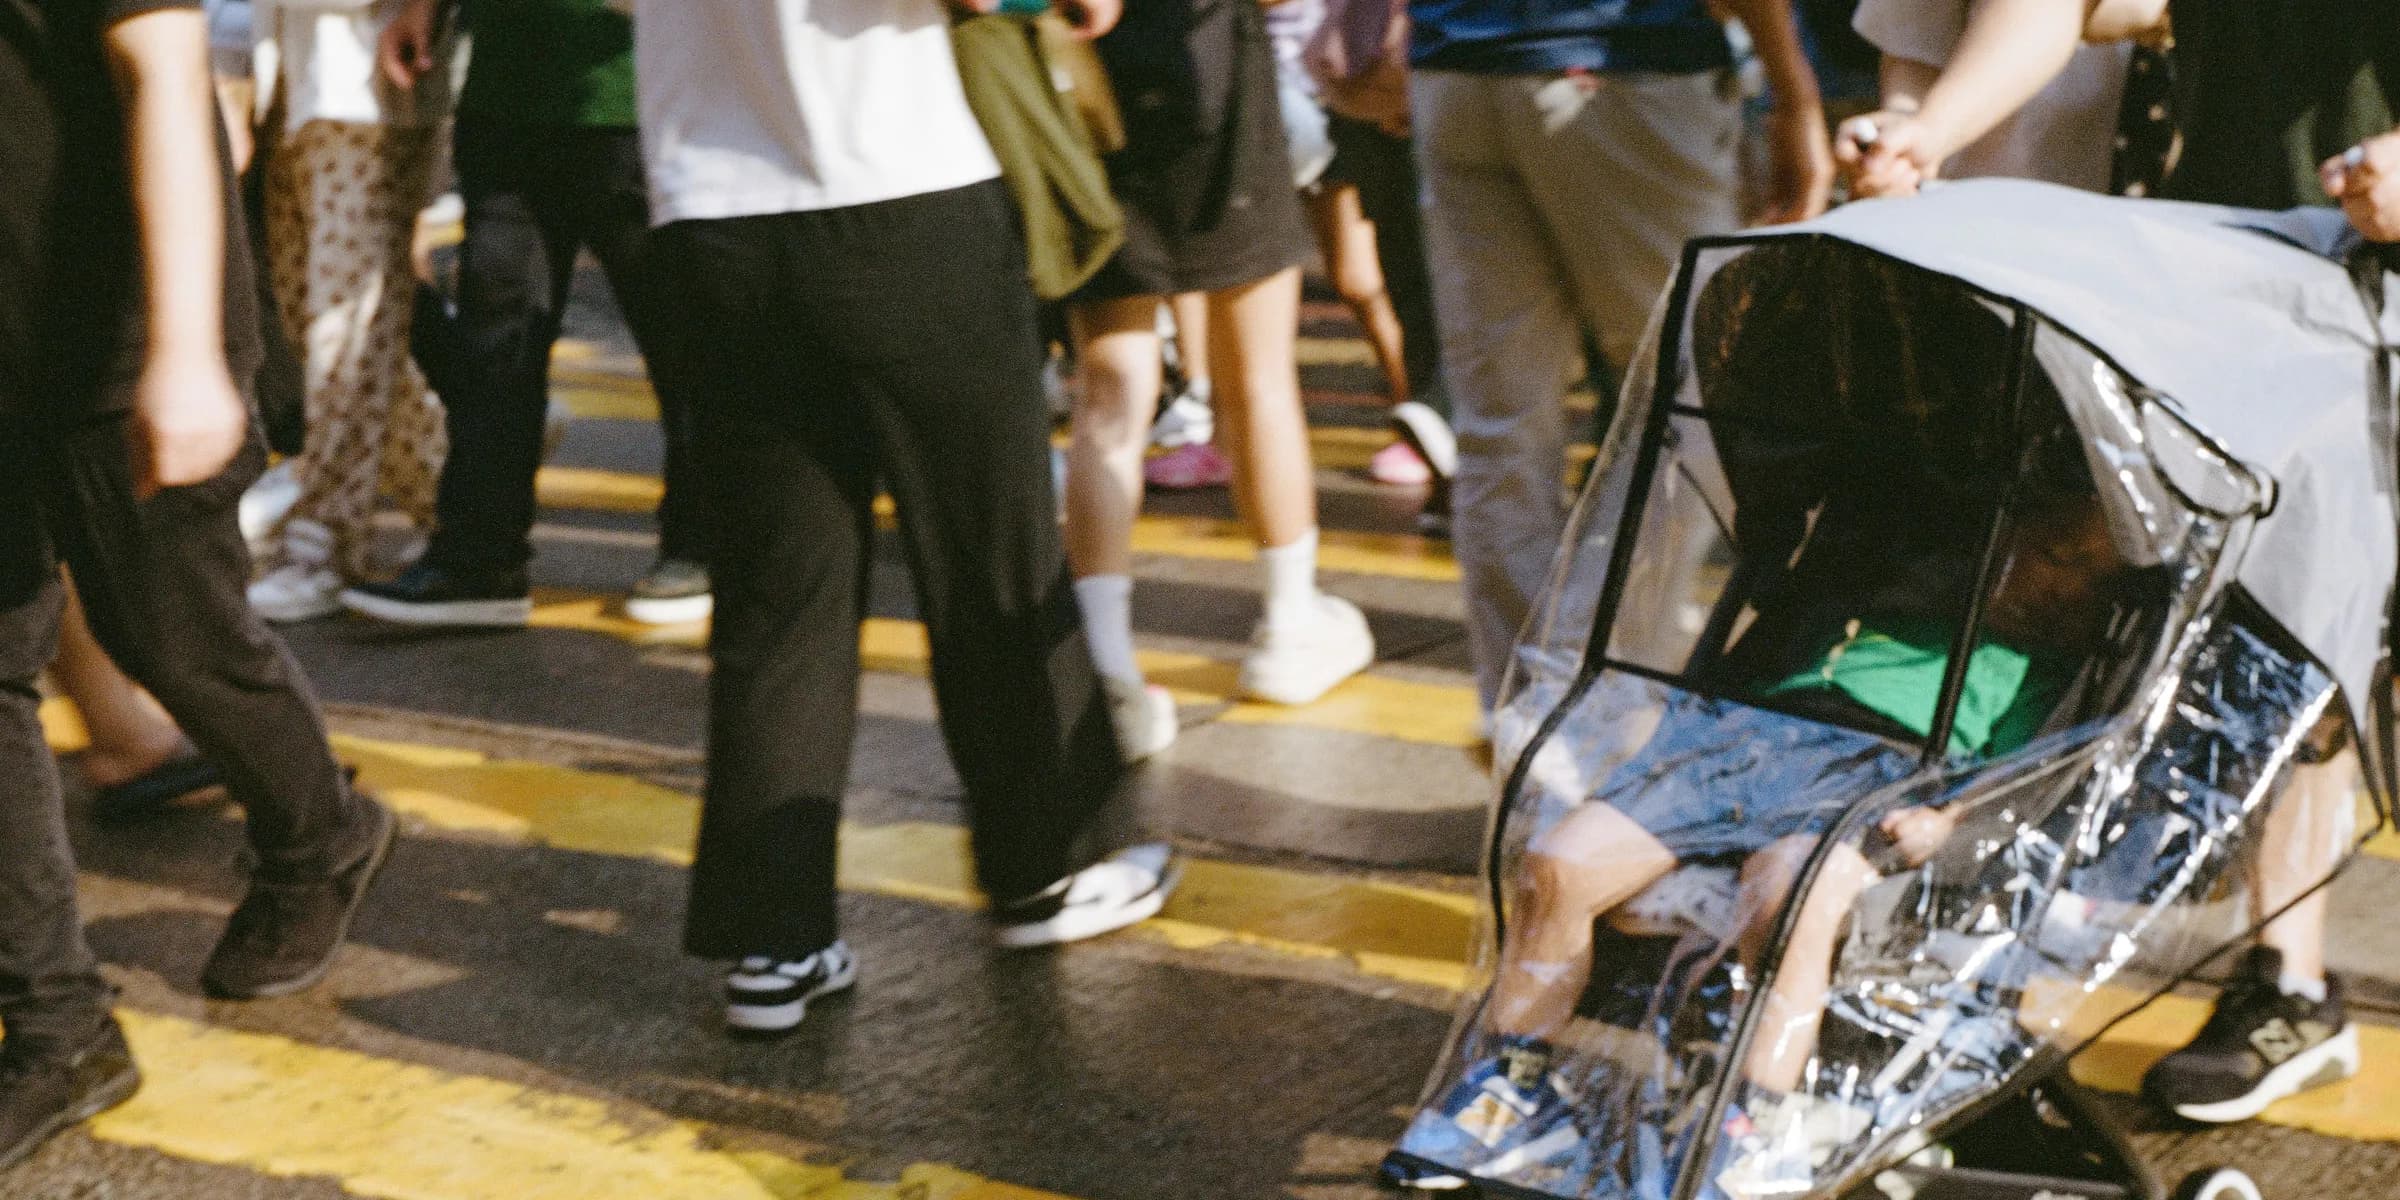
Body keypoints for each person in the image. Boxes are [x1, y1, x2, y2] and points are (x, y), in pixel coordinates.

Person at [1831, 0, 2398, 1125]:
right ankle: (2286, 983)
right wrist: (1927, 131)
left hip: (2359, 281)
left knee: (2331, 629)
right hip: (2246, 271)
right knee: (2280, 628)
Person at [632, 0, 1177, 1037]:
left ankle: (775, 940)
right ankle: (1043, 871)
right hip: (902, 193)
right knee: (990, 555)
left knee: (777, 596)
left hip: (708, 210)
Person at [1405, 495, 2129, 1181]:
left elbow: (2023, 774)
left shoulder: (2041, 663)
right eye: (2051, 554)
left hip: (1889, 766)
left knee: (1789, 893)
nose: (2057, 582)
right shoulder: (1875, 577)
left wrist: (1947, 819)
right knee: (1557, 865)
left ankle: (1751, 1126)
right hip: (1748, 741)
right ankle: (1513, 1082)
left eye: (2085, 574)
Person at [0, 0, 397, 1167]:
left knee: (171, 635)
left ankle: (320, 834)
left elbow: (169, 75)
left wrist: (183, 352)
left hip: (115, 330)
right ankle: (59, 1028)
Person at [1407, 0, 1836, 720]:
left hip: (1456, 68)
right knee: (1701, 397)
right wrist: (1795, 97)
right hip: (1619, 64)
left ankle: (1523, 709)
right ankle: (1585, 704)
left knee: (1502, 422)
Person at [1066, 0, 1383, 760]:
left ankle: (1106, 668)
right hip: (1219, 105)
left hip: (1094, 103)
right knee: (1260, 380)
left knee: (1108, 396)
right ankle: (1289, 623)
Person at [347, 0, 715, 629]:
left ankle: (703, 544)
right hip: (508, 97)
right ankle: (479, 558)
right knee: (494, 341)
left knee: (681, 342)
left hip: (639, 103)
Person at [242, 0, 453, 622]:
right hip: (291, 90)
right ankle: (458, 502)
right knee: (317, 327)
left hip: (365, 92)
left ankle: (325, 541)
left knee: (346, 334)